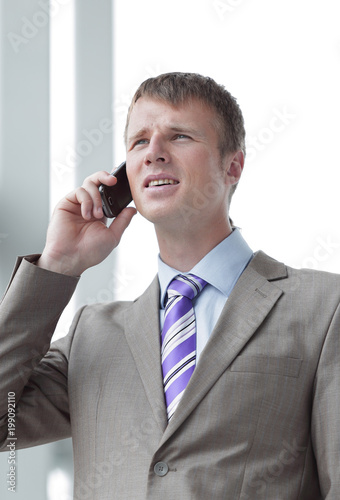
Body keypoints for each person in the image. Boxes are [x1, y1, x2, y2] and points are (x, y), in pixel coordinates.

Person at [0, 72, 339, 500]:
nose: (153, 152)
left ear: (232, 165)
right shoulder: (93, 335)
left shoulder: (325, 308)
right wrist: (56, 267)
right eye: (139, 141)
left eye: (179, 136)